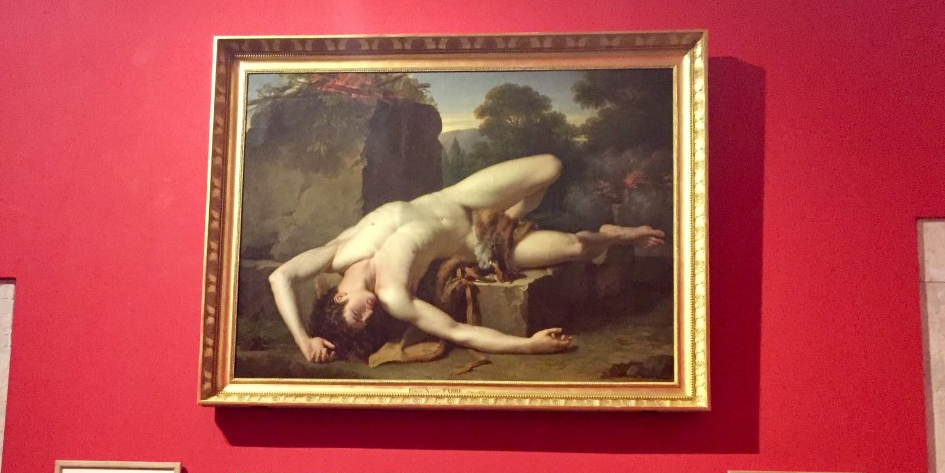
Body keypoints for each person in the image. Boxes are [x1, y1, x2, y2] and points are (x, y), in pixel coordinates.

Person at [269, 154, 665, 362]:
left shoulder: (339, 251)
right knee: (575, 248)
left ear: (339, 297)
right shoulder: (394, 295)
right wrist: (528, 345)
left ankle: (512, 216)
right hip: (476, 242)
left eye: (358, 313)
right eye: (367, 321)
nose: (369, 312)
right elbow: (458, 332)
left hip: (458, 199)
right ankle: (613, 237)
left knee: (551, 166)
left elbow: (280, 277)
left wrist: (303, 341)